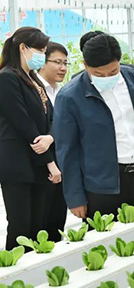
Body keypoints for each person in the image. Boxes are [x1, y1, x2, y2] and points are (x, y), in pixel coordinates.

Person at [54, 34, 134, 220]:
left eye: (113, 71)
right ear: (85, 65)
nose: (107, 77)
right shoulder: (70, 96)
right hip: (99, 184)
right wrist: (75, 197)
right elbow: (67, 150)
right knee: (105, 235)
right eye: (99, 74)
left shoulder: (132, 77)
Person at [0, 27, 61, 250]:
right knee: (20, 227)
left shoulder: (33, 78)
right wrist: (50, 162)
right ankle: (14, 269)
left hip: (37, 164)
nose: (42, 55)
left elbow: (52, 116)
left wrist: (50, 138)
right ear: (23, 48)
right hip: (18, 163)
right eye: (40, 50)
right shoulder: (7, 78)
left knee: (38, 225)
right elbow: (23, 123)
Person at [72, 31, 134, 117]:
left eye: (113, 72)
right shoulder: (77, 83)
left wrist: (129, 110)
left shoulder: (132, 74)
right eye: (99, 74)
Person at [37, 41, 69, 241]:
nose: (63, 68)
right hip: (41, 166)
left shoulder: (62, 91)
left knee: (57, 222)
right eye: (58, 62)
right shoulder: (34, 89)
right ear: (42, 62)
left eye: (65, 63)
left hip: (61, 164)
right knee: (38, 224)